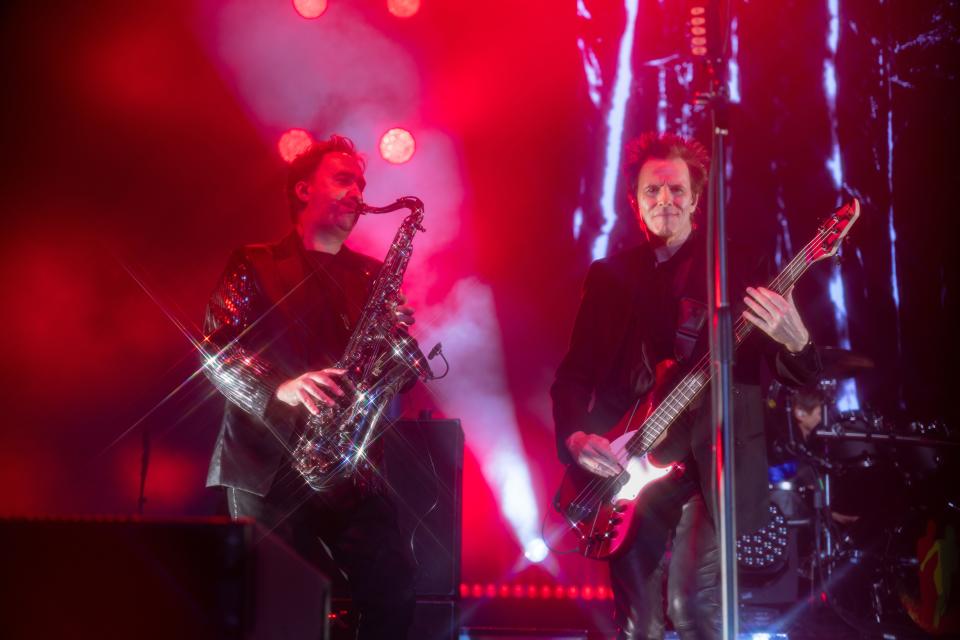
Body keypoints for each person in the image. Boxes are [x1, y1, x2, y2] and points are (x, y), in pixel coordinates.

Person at [551, 132, 822, 639]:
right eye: (653, 192)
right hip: (629, 464)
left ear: (697, 199)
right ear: (635, 202)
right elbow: (574, 374)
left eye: (677, 191)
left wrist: (798, 343)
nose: (665, 202)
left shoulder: (737, 269)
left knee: (694, 607)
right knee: (637, 627)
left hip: (709, 463)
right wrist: (576, 437)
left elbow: (791, 371)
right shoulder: (610, 277)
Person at [202, 135, 417, 639]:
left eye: (361, 182)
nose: (358, 191)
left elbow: (396, 376)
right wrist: (284, 387)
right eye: (344, 179)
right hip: (265, 466)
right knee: (278, 607)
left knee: (395, 590)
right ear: (303, 189)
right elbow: (217, 351)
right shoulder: (253, 262)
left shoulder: (369, 275)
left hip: (345, 465)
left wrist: (395, 338)